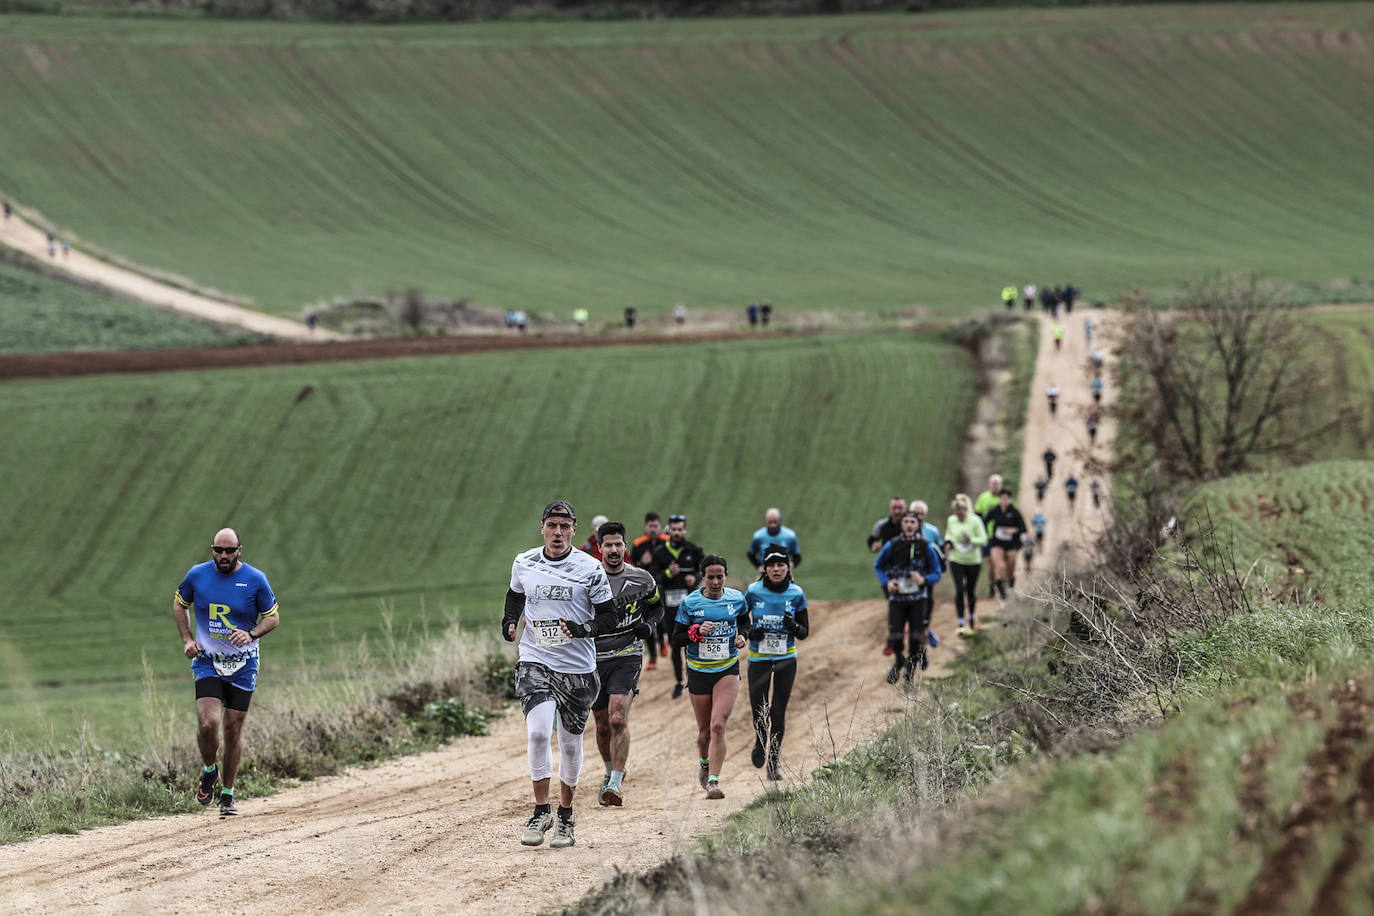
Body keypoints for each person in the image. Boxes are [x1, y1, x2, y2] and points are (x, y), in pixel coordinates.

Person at [502, 500, 618, 849]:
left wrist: (582, 629)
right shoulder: (525, 562)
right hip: (536, 658)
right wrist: (509, 622)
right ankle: (541, 811)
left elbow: (608, 617)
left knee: (569, 744)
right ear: (542, 528)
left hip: (578, 669)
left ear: (574, 530)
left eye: (564, 526)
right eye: (552, 525)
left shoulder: (590, 568)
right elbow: (515, 595)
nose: (557, 532)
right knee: (538, 734)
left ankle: (566, 816)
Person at [172, 528, 280, 818]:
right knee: (208, 723)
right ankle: (210, 771)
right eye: (218, 550)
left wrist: (252, 633)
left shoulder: (255, 580)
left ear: (239, 551)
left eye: (229, 551)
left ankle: (228, 795)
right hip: (207, 660)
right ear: (212, 550)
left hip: (243, 665)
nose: (223, 556)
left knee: (233, 729)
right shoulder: (197, 575)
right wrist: (186, 639)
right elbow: (180, 604)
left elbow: (273, 617)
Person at [589, 521, 663, 807]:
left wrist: (650, 625)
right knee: (602, 724)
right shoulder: (589, 581)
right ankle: (609, 775)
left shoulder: (642, 579)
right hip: (593, 658)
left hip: (627, 654)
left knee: (618, 718)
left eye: (618, 543)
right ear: (599, 548)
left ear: (625, 546)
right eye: (608, 544)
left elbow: (658, 605)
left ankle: (616, 784)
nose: (614, 549)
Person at [671, 554, 748, 799]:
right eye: (711, 577)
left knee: (718, 725)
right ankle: (704, 763)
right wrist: (695, 631)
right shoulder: (690, 603)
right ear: (703, 577)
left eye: (720, 577)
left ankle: (713, 781)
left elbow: (745, 622)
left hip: (727, 669)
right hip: (698, 671)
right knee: (704, 731)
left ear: (726, 576)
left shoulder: (737, 599)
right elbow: (677, 638)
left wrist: (742, 636)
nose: (715, 582)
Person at [744, 546, 809, 781]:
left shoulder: (796, 593)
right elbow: (741, 623)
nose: (776, 569)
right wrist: (752, 633)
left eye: (781, 565)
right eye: (771, 565)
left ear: (788, 567)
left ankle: (773, 762)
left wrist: (792, 626)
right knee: (759, 710)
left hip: (785, 659)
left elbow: (804, 632)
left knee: (778, 711)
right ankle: (760, 743)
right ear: (764, 568)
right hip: (758, 658)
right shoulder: (752, 591)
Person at [874, 511, 942, 683]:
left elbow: (937, 572)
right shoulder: (892, 545)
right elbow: (878, 566)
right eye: (906, 522)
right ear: (902, 525)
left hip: (918, 600)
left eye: (913, 521)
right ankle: (898, 661)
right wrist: (887, 582)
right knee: (895, 636)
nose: (910, 525)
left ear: (918, 525)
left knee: (915, 638)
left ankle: (909, 674)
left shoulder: (926, 546)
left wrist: (924, 579)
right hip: (897, 600)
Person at [650, 514, 704, 699]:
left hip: (691, 605)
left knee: (693, 639)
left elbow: (704, 571)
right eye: (674, 529)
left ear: (685, 530)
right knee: (675, 644)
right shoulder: (659, 553)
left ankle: (693, 677)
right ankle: (679, 681)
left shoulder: (694, 550)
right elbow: (653, 578)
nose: (677, 532)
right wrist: (667, 573)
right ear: (669, 530)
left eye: (680, 529)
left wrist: (694, 579)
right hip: (670, 606)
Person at [944, 494, 987, 636]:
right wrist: (949, 543)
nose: (959, 513)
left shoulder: (975, 521)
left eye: (962, 510)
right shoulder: (951, 521)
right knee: (959, 589)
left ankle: (972, 616)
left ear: (966, 510)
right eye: (957, 510)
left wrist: (971, 539)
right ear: (954, 511)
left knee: (970, 589)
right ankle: (961, 620)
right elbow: (948, 535)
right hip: (956, 559)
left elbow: (983, 540)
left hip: (973, 560)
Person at [631, 512, 670, 668]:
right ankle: (652, 657)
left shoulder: (666, 542)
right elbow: (632, 566)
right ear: (646, 526)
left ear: (659, 526)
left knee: (661, 617)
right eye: (650, 526)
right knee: (647, 620)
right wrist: (642, 562)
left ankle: (663, 642)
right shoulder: (639, 543)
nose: (653, 529)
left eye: (655, 526)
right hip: (644, 589)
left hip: (662, 586)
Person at [985, 489, 1027, 607]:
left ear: (1010, 499)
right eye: (1002, 498)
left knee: (1010, 569)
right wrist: (986, 533)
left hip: (1011, 544)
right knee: (1000, 567)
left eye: (1006, 499)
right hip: (996, 543)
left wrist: (1014, 530)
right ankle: (1002, 596)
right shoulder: (995, 511)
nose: (1004, 501)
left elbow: (1023, 528)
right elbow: (983, 521)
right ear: (999, 499)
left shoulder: (1014, 512)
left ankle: (1011, 586)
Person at [973, 474, 1003, 601]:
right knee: (991, 563)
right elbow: (978, 516)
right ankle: (992, 586)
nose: (995, 486)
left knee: (1000, 564)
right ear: (989, 484)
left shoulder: (1004, 498)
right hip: (987, 536)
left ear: (1000, 485)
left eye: (997, 484)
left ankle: (1001, 585)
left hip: (1001, 537)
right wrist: (982, 532)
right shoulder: (983, 498)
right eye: (993, 483)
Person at [747, 507, 802, 572]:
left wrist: (792, 565)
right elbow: (750, 554)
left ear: (780, 521)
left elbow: (797, 556)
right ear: (766, 521)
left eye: (775, 522)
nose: (772, 525)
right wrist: (758, 566)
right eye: (770, 522)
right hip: (765, 573)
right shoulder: (758, 536)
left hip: (784, 574)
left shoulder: (790, 536)